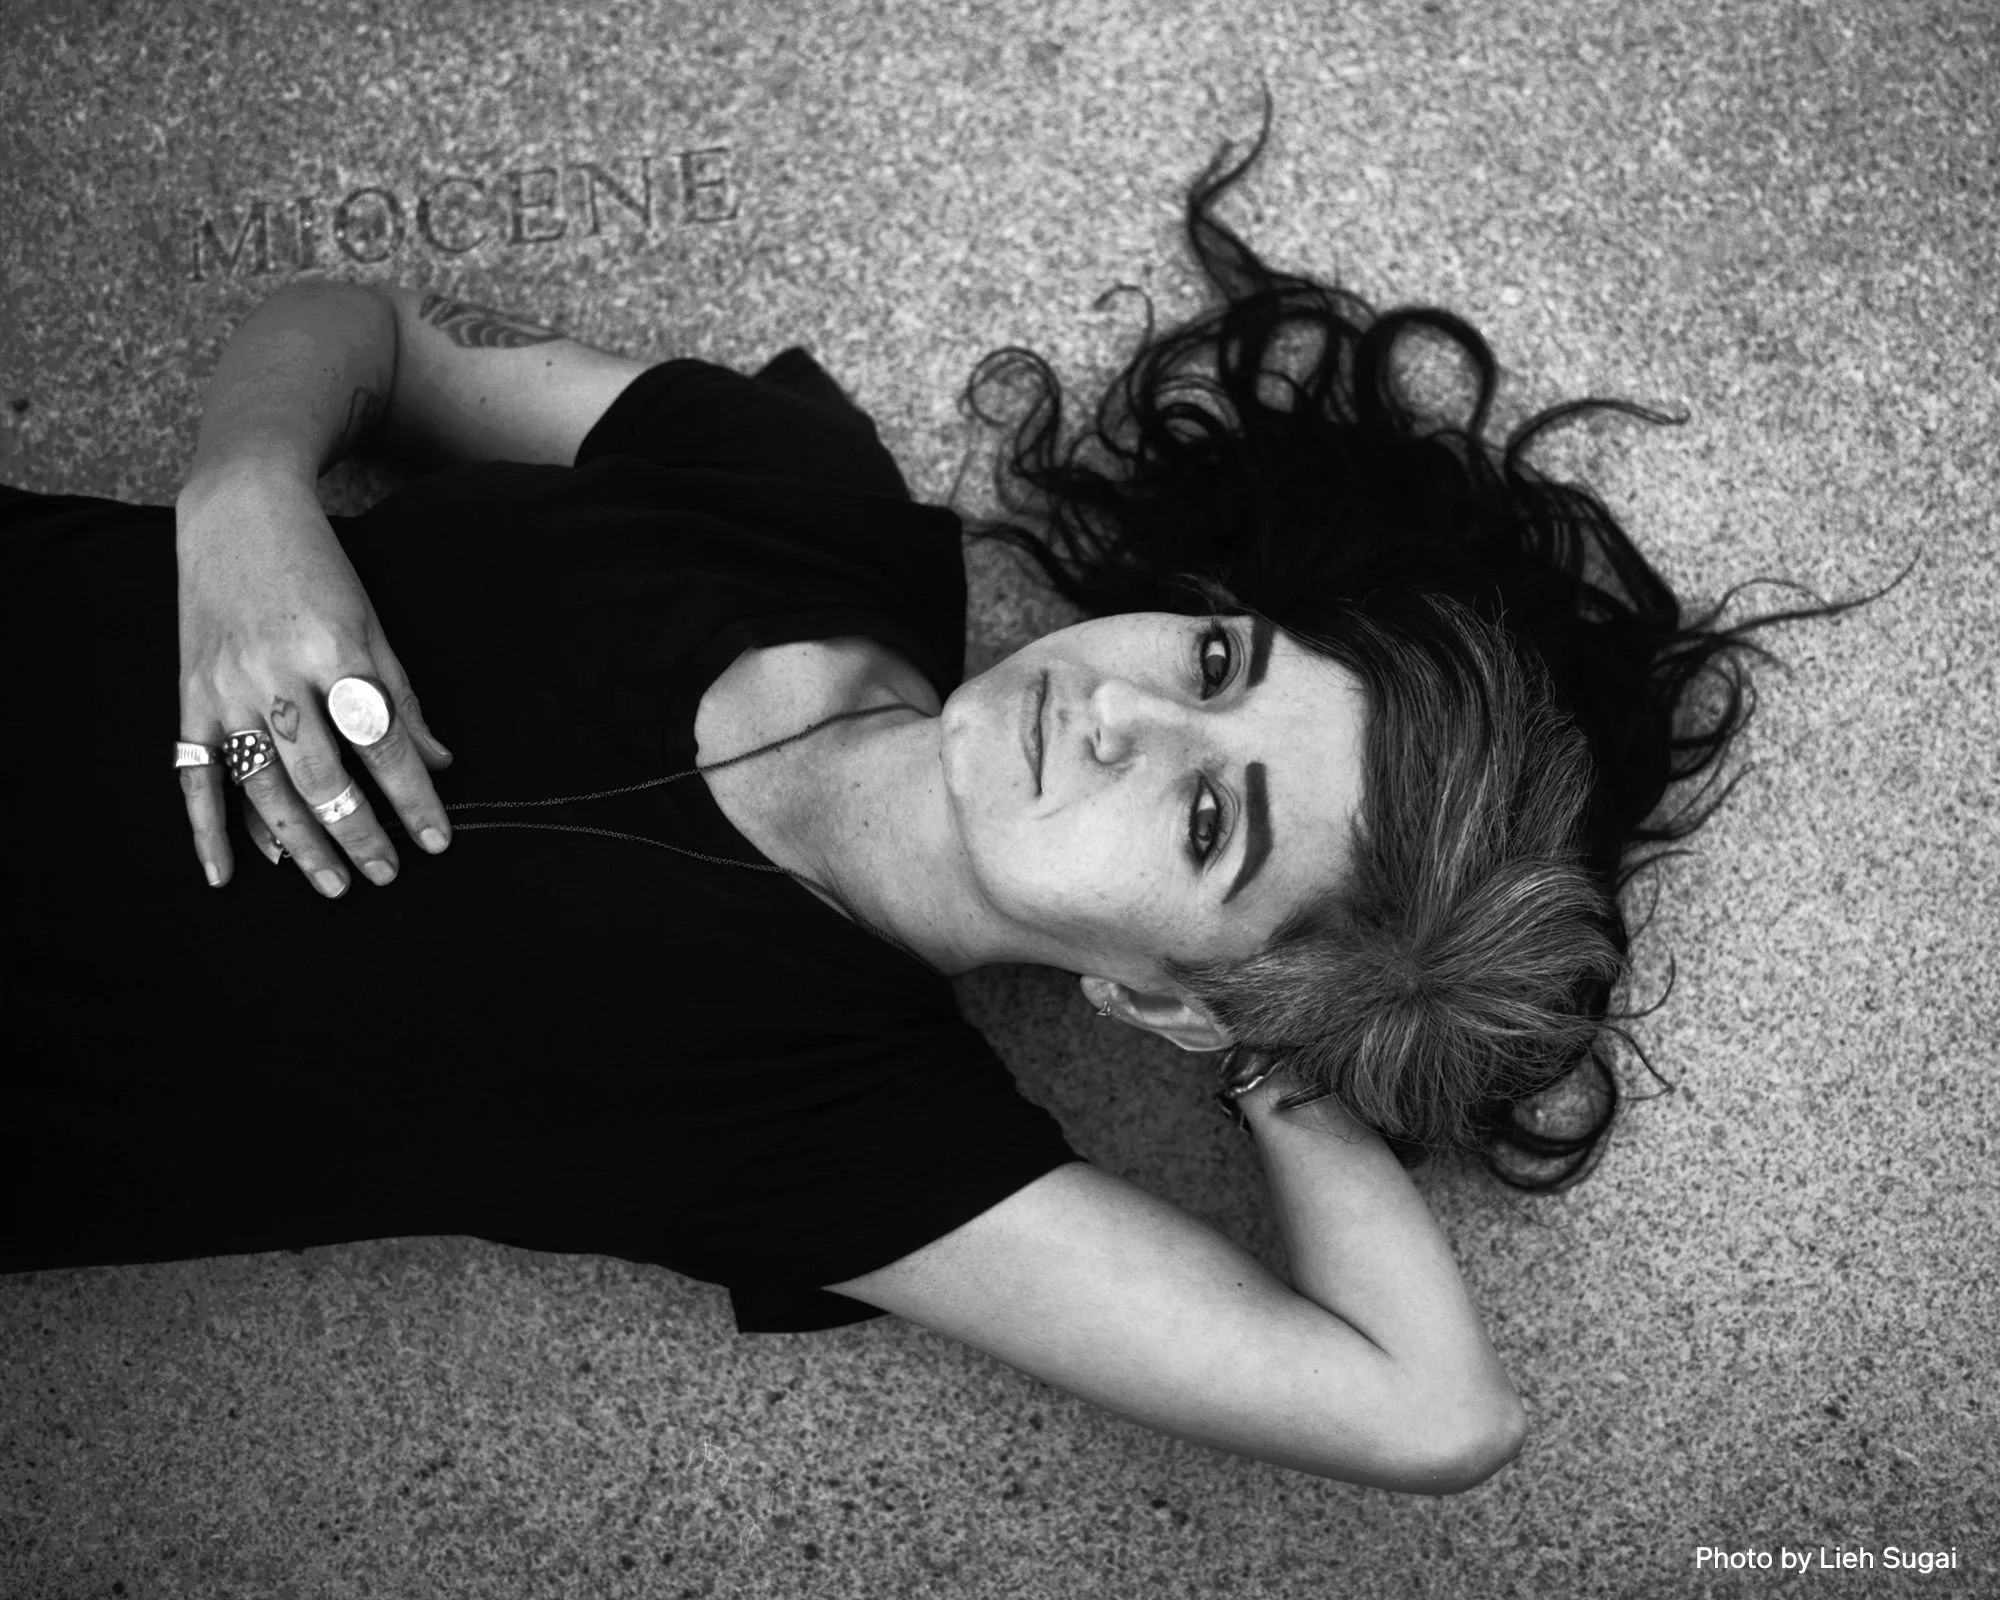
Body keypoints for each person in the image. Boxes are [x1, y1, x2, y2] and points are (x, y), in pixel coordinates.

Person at [0, 121, 1862, 1493]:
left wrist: (1277, 1026)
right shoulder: (796, 496)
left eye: (1208, 827)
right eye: (1218, 663)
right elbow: (369, 334)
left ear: (1160, 998)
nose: (1122, 710)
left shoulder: (851, 1138)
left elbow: (1435, 1414)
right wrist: (246, 499)